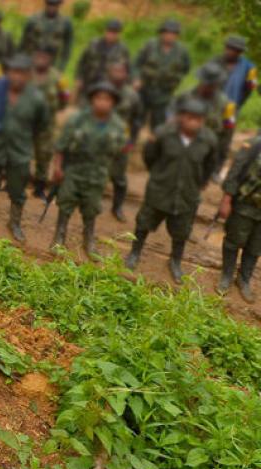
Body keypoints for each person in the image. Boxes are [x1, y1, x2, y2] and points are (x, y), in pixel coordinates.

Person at [125, 97, 218, 282]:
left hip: (187, 194)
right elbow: (150, 156)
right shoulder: (163, 133)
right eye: (190, 117)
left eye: (199, 119)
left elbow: (209, 165)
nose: (194, 122)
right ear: (181, 117)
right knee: (143, 222)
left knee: (181, 231)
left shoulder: (208, 140)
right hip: (160, 190)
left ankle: (175, 261)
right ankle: (134, 253)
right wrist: (160, 175)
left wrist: (199, 182)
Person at [0, 54, 49, 242]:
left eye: (21, 73)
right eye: (13, 72)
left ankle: (14, 223)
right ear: (8, 72)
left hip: (20, 151)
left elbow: (41, 127)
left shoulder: (37, 99)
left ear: (28, 75)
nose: (17, 77)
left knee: (17, 189)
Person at [49, 82, 128, 256]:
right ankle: (59, 237)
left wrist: (113, 175)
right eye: (98, 98)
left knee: (91, 208)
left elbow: (120, 153)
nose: (102, 102)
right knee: (66, 202)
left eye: (107, 99)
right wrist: (57, 168)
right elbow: (61, 146)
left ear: (113, 103)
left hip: (97, 173)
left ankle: (89, 240)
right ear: (92, 100)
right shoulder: (78, 120)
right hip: (74, 169)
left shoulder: (118, 126)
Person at [216, 136, 261, 302]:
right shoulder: (254, 145)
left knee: (255, 247)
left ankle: (244, 279)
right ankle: (226, 275)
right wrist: (226, 199)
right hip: (245, 205)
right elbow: (235, 170)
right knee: (233, 241)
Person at [172, 63, 235, 175]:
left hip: (205, 150)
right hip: (181, 147)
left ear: (217, 84)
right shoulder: (184, 97)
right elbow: (171, 119)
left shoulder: (226, 104)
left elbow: (227, 134)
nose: (208, 87)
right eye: (206, 84)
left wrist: (218, 165)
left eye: (212, 85)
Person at [135, 19, 191, 132]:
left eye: (173, 33)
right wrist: (137, 79)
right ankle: (132, 140)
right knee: (137, 117)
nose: (169, 36)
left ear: (177, 36)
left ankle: (154, 143)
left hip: (164, 93)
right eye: (167, 33)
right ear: (161, 33)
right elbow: (137, 63)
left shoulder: (182, 51)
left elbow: (186, 68)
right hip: (145, 89)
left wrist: (175, 79)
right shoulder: (150, 45)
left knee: (159, 122)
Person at [106, 61, 145, 222]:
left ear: (126, 74)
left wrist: (132, 141)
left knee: (119, 178)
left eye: (121, 71)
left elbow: (136, 120)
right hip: (97, 138)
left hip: (120, 141)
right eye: (114, 70)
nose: (117, 74)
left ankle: (117, 207)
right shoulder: (100, 91)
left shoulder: (132, 95)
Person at [29, 45, 68, 198]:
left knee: (44, 153)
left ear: (51, 59)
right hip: (25, 121)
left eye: (44, 57)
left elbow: (64, 98)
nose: (40, 60)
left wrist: (51, 111)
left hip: (46, 124)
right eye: (38, 56)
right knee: (19, 150)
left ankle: (39, 186)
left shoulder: (58, 78)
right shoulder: (26, 73)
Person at [75, 18, 129, 93]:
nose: (111, 35)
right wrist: (79, 78)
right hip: (89, 82)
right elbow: (82, 62)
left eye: (114, 33)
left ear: (119, 34)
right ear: (105, 31)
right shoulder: (93, 44)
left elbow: (127, 69)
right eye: (109, 31)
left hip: (109, 86)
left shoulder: (123, 50)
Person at [212, 35, 257, 122]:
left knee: (227, 130)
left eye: (233, 49)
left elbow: (250, 88)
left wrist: (239, 103)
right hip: (212, 105)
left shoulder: (250, 67)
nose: (229, 51)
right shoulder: (215, 61)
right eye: (228, 48)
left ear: (240, 52)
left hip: (232, 107)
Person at [19, 0, 72, 69]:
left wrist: (61, 67)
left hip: (51, 60)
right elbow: (23, 42)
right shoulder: (33, 20)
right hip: (33, 58)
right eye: (50, 4)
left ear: (59, 6)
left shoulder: (65, 23)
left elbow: (67, 47)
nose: (52, 8)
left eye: (55, 5)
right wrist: (21, 60)